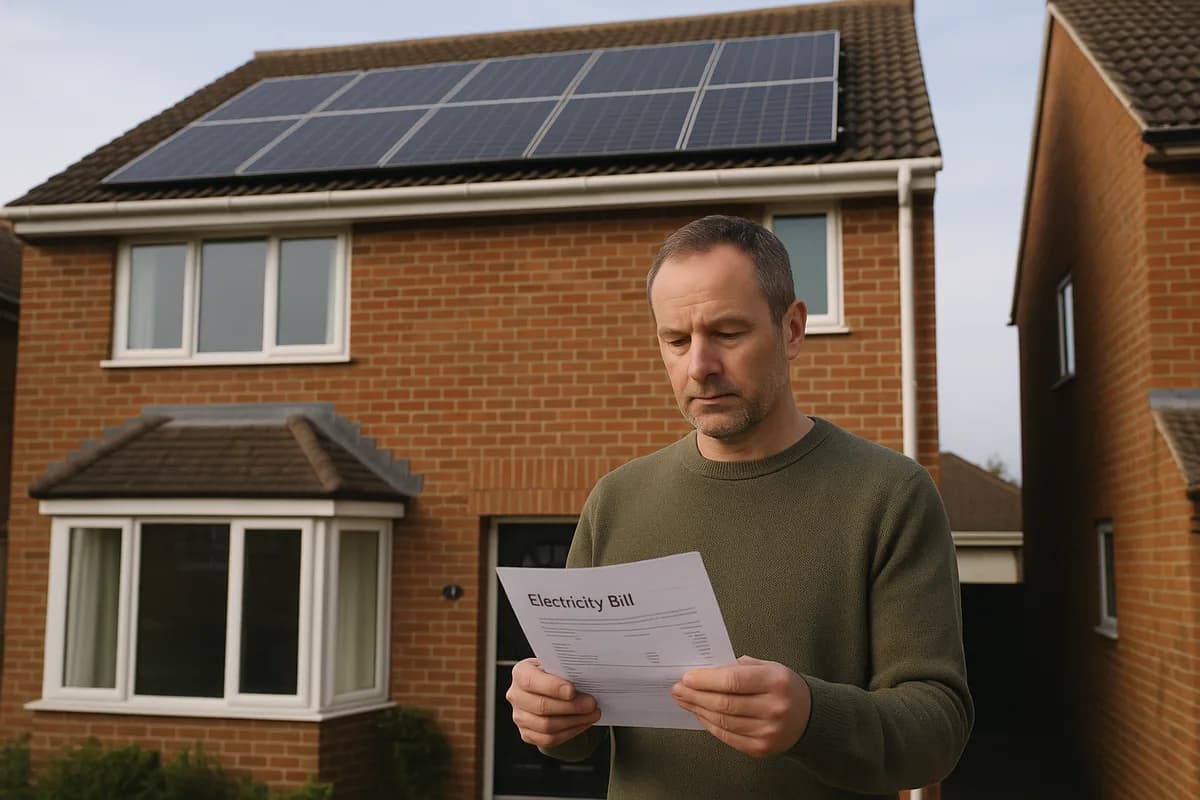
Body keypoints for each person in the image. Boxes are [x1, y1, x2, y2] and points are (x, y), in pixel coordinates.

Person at [505, 215, 973, 798]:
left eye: (727, 332)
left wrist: (811, 717)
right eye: (676, 340)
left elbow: (939, 729)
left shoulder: (890, 495)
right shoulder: (616, 500)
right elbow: (579, 732)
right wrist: (547, 716)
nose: (698, 365)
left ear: (793, 328)